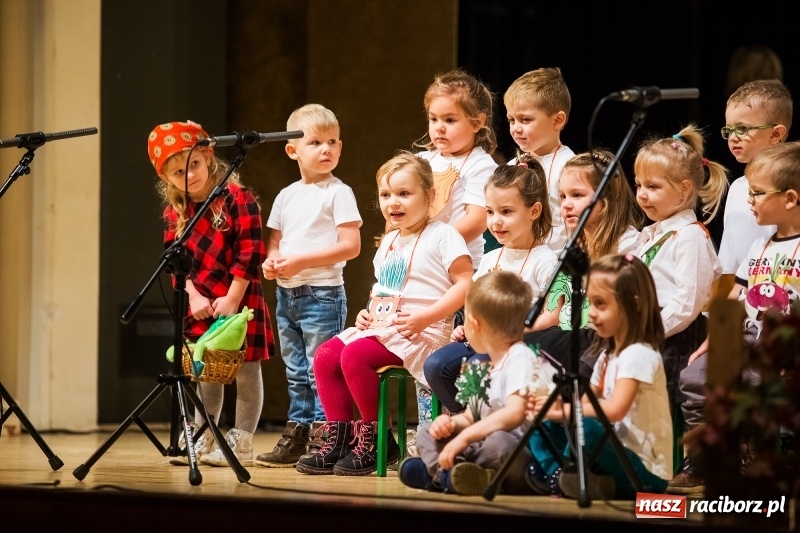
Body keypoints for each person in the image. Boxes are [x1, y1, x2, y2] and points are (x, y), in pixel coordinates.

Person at [295, 151, 473, 476]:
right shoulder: (389, 239)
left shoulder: (443, 234)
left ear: (430, 196)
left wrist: (428, 316)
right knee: (325, 356)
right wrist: (367, 313)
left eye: (405, 194)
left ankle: (377, 438)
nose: (394, 202)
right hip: (385, 326)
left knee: (354, 356)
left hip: (420, 330)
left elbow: (465, 282)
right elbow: (385, 288)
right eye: (386, 194)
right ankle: (342, 438)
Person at [672, 141, 800, 495]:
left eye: (758, 193)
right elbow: (737, 294)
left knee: (760, 385)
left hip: (781, 347)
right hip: (745, 338)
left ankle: (763, 456)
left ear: (789, 199)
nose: (750, 199)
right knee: (695, 374)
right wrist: (713, 341)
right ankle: (701, 456)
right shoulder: (760, 248)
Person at [146, 120, 274, 467]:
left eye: (193, 165)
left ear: (207, 156)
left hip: (238, 297)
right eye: (176, 173)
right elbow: (174, 264)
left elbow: (250, 253)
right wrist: (193, 297)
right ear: (166, 179)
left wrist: (232, 298)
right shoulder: (176, 212)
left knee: (246, 371)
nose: (187, 176)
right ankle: (205, 434)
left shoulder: (237, 198)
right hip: (201, 303)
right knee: (205, 371)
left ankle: (242, 439)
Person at [255, 104, 363, 467]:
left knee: (321, 370)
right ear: (292, 150)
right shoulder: (287, 195)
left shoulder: (338, 192)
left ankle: (328, 436)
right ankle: (298, 432)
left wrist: (302, 261)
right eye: (315, 142)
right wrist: (272, 261)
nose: (326, 149)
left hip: (322, 294)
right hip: (288, 294)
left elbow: (350, 245)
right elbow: (276, 242)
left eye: (332, 141)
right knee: (296, 369)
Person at [526, 254, 672, 500]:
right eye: (589, 303)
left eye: (601, 304)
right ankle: (564, 477)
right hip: (611, 452)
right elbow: (587, 402)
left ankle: (584, 480)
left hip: (645, 472)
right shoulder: (607, 355)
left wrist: (566, 410)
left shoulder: (639, 354)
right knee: (541, 422)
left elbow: (614, 410)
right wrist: (554, 408)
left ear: (634, 304)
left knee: (587, 428)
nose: (591, 313)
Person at [423, 155, 561, 415]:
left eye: (506, 212)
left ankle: (486, 428)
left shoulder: (547, 260)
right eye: (490, 212)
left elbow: (554, 315)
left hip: (521, 343)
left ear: (534, 211)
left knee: (478, 365)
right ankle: (469, 420)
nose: (496, 221)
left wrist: (515, 331)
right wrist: (466, 326)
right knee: (436, 366)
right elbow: (475, 304)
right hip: (483, 340)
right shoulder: (489, 259)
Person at [400, 270, 556, 496]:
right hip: (481, 444)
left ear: (474, 323)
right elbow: (471, 416)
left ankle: (441, 476)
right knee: (427, 432)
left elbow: (514, 414)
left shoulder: (521, 358)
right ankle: (458, 475)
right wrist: (453, 425)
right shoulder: (479, 365)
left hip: (521, 450)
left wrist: (465, 437)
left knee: (499, 443)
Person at [411, 69, 499, 426]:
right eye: (434, 119)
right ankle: (424, 426)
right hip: (422, 274)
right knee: (421, 347)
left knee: (443, 348)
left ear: (478, 122)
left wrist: (432, 243)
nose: (439, 128)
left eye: (450, 119)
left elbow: (477, 219)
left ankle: (451, 421)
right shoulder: (425, 161)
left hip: (460, 271)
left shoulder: (480, 164)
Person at [524, 149, 644, 376]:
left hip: (599, 335)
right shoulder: (573, 248)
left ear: (606, 200)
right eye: (562, 197)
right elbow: (553, 311)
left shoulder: (627, 244)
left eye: (577, 195)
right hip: (566, 332)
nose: (566, 205)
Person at [632, 124, 728, 407]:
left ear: (684, 189)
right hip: (649, 334)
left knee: (663, 413)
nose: (642, 195)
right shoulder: (654, 235)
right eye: (638, 185)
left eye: (652, 187)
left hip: (673, 340)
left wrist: (648, 332)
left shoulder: (690, 236)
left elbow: (688, 302)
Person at [504, 67, 575, 252]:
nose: (516, 129)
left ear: (557, 120)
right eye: (511, 120)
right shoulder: (511, 167)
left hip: (557, 265)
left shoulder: (570, 168)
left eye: (525, 120)